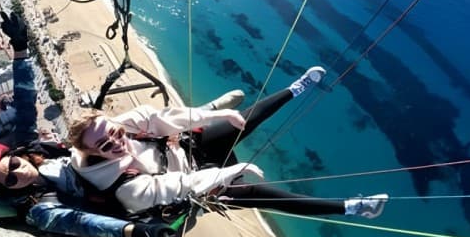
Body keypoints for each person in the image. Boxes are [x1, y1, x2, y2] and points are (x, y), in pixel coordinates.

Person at [0, 12, 176, 237]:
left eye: (13, 165)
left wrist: (21, 50)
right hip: (103, 200)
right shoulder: (39, 211)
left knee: (117, 127)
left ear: (14, 155)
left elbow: (25, 101)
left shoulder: (30, 148)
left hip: (88, 166)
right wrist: (133, 232)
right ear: (9, 192)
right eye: (12, 180)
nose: (20, 172)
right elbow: (82, 222)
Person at [67, 69, 388, 219]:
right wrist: (233, 171)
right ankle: (353, 207)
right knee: (263, 196)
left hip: (188, 149)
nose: (116, 142)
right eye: (106, 145)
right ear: (94, 153)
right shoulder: (124, 187)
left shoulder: (122, 125)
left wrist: (215, 115)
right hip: (196, 186)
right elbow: (181, 185)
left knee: (244, 118)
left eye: (115, 132)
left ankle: (294, 89)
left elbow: (165, 119)